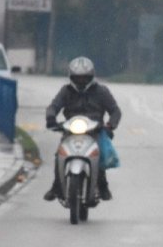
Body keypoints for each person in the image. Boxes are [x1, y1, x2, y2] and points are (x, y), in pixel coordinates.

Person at [44, 56, 122, 202]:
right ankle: (56, 186)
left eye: (84, 78)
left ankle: (103, 185)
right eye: (77, 78)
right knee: (59, 155)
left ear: (91, 76)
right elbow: (53, 106)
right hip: (70, 131)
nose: (81, 81)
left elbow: (115, 111)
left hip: (95, 132)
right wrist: (51, 117)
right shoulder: (66, 91)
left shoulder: (101, 91)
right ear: (71, 77)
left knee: (100, 155)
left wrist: (110, 124)